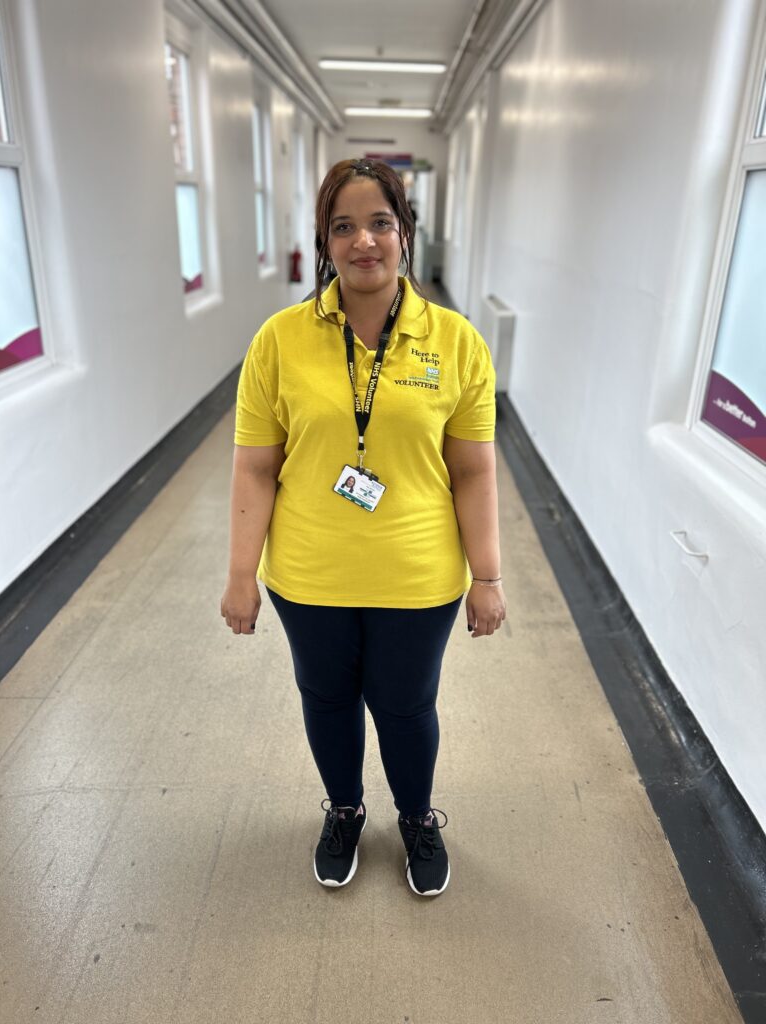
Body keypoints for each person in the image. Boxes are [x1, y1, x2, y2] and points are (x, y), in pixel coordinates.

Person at [221, 157, 505, 897]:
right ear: (325, 240)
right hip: (310, 576)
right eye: (343, 226)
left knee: (407, 706)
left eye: (380, 222)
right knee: (326, 698)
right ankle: (344, 810)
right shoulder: (279, 341)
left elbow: (474, 470)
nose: (364, 242)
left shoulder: (458, 343)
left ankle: (416, 818)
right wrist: (239, 577)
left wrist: (489, 576)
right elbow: (255, 468)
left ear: (405, 233)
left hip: (418, 577)